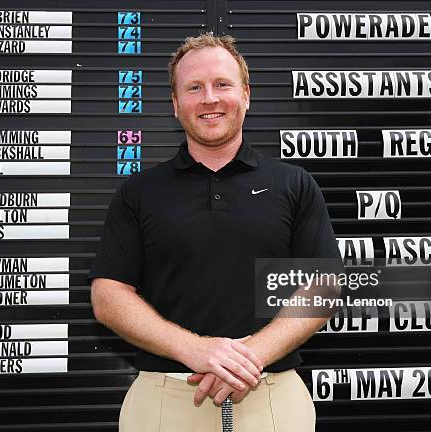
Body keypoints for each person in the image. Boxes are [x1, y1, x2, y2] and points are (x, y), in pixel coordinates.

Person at [88, 33, 341, 431]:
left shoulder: (294, 184)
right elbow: (108, 297)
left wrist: (247, 358)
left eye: (222, 84)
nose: (209, 98)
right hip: (164, 400)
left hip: (272, 397)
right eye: (194, 87)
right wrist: (198, 350)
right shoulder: (138, 192)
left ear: (246, 95)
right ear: (175, 104)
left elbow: (322, 286)